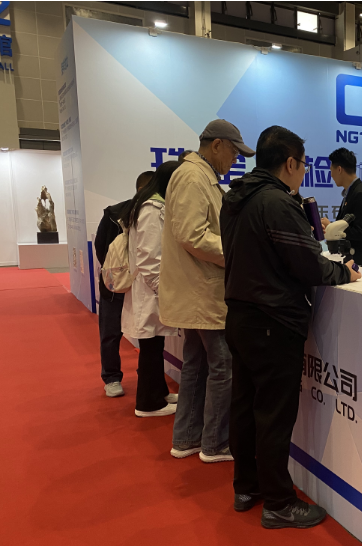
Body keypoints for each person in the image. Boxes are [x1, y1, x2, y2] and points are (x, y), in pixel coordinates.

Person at [221, 125, 361, 529]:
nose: (303, 172)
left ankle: (246, 486)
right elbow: (307, 264)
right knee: (273, 414)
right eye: (302, 165)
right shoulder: (277, 202)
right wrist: (344, 273)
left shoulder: (236, 197)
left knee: (245, 406)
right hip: (274, 320)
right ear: (289, 163)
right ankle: (279, 502)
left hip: (241, 315)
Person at [160, 119, 255, 463]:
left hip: (198, 290)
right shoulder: (193, 177)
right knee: (222, 367)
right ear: (217, 145)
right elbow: (193, 235)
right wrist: (238, 251)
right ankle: (215, 443)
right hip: (202, 290)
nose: (235, 159)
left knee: (197, 366)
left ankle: (187, 438)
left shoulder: (200, 176)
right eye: (234, 152)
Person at [120, 161, 181, 417]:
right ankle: (148, 403)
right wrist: (161, 290)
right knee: (150, 347)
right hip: (151, 289)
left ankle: (159, 393)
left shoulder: (154, 206)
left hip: (152, 288)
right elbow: (149, 257)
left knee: (155, 345)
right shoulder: (151, 208)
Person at [94, 170, 154, 398]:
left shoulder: (158, 214)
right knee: (110, 333)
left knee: (148, 335)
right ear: (141, 190)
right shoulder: (113, 214)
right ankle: (111, 377)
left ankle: (147, 378)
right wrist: (119, 274)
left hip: (143, 286)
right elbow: (101, 249)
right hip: (116, 286)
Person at [323, 148, 362, 269]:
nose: (331, 175)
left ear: (339, 169)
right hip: (352, 262)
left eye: (331, 170)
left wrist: (332, 227)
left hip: (361, 264)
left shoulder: (360, 193)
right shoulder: (350, 193)